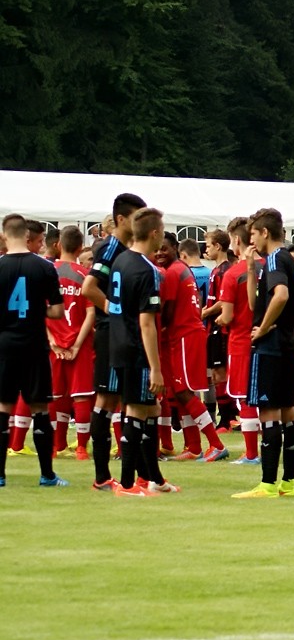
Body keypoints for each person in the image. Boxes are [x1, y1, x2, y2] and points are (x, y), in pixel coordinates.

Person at [232, 209, 294, 498]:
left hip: (271, 346)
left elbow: (281, 295)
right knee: (288, 411)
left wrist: (262, 329)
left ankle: (268, 484)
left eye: (253, 234)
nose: (251, 241)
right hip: (288, 344)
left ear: (264, 232)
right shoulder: (289, 261)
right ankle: (288, 483)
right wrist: (251, 268)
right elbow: (255, 304)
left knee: (269, 412)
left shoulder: (275, 259)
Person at [108, 208, 174, 495]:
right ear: (155, 233)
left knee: (150, 408)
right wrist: (156, 368)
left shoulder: (121, 260)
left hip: (118, 342)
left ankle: (153, 479)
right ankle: (126, 484)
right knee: (136, 410)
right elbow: (147, 323)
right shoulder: (147, 270)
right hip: (136, 348)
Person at [0, 214, 69, 489]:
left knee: (3, 407)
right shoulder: (44, 267)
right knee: (40, 408)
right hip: (34, 344)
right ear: (26, 235)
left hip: (5, 344)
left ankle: (0, 475)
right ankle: (47, 474)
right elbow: (57, 311)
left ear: (5, 235)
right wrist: (38, 309)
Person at [80, 193, 144, 489]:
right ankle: (102, 476)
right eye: (136, 217)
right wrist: (114, 311)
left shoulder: (127, 249)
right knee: (106, 400)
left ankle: (143, 475)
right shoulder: (109, 248)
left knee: (124, 401)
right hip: (110, 332)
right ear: (121, 219)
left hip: (122, 333)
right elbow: (89, 288)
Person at [157, 232, 227, 462]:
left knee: (184, 391)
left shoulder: (172, 272)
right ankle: (193, 446)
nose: (159, 253)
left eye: (164, 249)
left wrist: (152, 329)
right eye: (157, 249)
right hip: (186, 334)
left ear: (175, 249)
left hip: (185, 336)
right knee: (178, 393)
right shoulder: (182, 269)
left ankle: (216, 444)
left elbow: (167, 311)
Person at [216, 218, 263, 465]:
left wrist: (217, 320)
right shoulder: (270, 266)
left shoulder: (234, 273)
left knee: (244, 397)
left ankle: (251, 453)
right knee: (267, 399)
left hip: (242, 341)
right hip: (268, 340)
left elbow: (227, 316)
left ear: (236, 240)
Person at [47, 226, 96, 460]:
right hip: (81, 343)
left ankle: (56, 446)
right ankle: (81, 449)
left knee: (55, 396)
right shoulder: (85, 276)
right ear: (79, 248)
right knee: (81, 395)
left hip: (54, 344)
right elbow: (91, 313)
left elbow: (39, 311)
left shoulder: (48, 272)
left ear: (58, 245)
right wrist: (77, 345)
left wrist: (52, 341)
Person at [200, 229, 237, 431]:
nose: (205, 250)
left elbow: (224, 301)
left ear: (218, 246)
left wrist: (206, 312)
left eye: (208, 246)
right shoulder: (215, 270)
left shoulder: (225, 271)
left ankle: (227, 418)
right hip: (213, 327)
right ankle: (228, 416)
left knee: (220, 373)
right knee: (216, 374)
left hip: (220, 328)